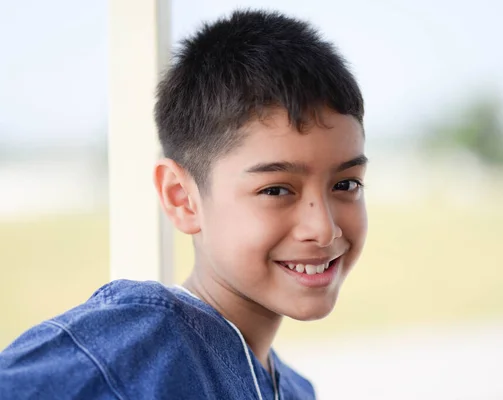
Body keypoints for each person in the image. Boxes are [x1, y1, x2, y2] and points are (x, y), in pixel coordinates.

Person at [0, 9, 367, 399]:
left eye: (345, 183)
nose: (324, 228)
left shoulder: (294, 389)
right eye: (276, 190)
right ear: (182, 197)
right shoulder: (127, 355)